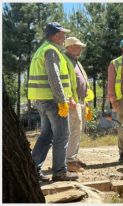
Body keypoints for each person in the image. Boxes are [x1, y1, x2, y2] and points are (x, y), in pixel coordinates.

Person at [28, 22, 78, 181]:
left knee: (47, 134)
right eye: (63, 34)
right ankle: (60, 172)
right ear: (55, 35)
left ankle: (32, 170)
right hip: (53, 101)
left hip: (42, 100)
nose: (65, 37)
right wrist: (62, 100)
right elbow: (54, 78)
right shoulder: (51, 50)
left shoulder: (42, 49)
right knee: (62, 135)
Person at [64, 37, 94, 172]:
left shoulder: (76, 62)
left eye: (81, 46)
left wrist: (86, 100)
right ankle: (69, 161)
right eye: (77, 46)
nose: (80, 49)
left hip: (80, 100)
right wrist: (69, 98)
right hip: (72, 101)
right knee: (73, 130)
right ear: (69, 47)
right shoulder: (65, 60)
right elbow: (64, 81)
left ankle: (73, 158)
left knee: (78, 130)